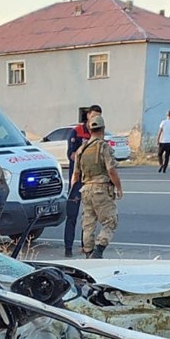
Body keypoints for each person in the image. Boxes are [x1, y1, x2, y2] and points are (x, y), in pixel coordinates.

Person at [71, 113, 123, 259]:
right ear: (103, 129)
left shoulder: (81, 149)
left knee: (88, 223)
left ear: (89, 130)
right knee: (110, 221)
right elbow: (111, 170)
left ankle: (88, 252)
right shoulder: (103, 147)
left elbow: (75, 175)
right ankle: (99, 250)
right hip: (101, 189)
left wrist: (73, 192)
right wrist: (119, 188)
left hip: (86, 189)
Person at [64, 104, 102, 257]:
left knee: (89, 216)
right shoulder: (77, 131)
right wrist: (84, 154)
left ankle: (85, 246)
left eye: (98, 117)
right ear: (88, 116)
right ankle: (68, 247)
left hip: (91, 181)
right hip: (77, 180)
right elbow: (71, 155)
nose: (95, 119)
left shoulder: (98, 133)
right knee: (72, 215)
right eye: (93, 116)